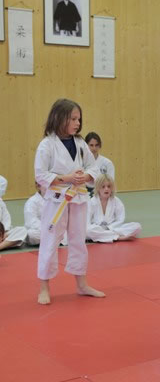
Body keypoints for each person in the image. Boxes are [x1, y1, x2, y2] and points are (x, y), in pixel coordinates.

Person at [34, 99, 104, 305]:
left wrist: (86, 177)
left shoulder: (80, 143)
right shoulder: (47, 144)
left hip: (79, 198)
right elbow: (40, 174)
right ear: (59, 118)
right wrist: (68, 178)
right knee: (50, 241)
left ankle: (82, 284)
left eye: (78, 119)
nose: (77, 123)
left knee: (79, 240)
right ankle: (44, 287)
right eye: (73, 119)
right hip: (57, 200)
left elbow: (93, 167)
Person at [86, 174, 141, 242]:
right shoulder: (92, 202)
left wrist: (109, 228)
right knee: (88, 230)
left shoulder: (116, 201)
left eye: (109, 186)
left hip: (112, 228)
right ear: (98, 188)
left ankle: (104, 236)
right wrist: (95, 228)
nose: (106, 189)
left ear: (112, 188)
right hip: (97, 228)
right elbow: (87, 221)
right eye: (103, 187)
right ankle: (118, 237)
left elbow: (120, 219)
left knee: (137, 227)